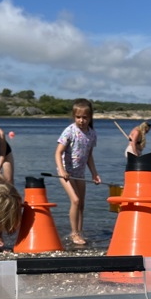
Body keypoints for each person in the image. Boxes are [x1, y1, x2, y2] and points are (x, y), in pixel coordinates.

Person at [55, 98, 101, 246]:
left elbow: (89, 156)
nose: (81, 120)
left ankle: (79, 232)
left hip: (80, 173)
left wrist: (94, 173)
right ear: (74, 117)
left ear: (90, 117)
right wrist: (62, 170)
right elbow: (57, 153)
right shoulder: (70, 131)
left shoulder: (91, 134)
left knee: (81, 204)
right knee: (75, 200)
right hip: (66, 172)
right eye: (78, 117)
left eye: (84, 117)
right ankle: (74, 233)